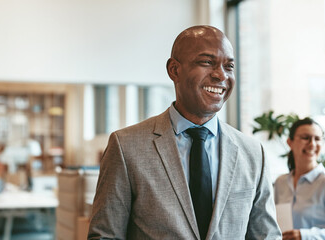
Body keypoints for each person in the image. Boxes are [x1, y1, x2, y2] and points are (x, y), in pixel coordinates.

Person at [88, 25, 281, 239]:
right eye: (207, 62)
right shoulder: (126, 147)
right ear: (174, 70)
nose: (220, 75)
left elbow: (267, 236)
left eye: (229, 66)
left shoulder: (253, 153)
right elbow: (105, 236)